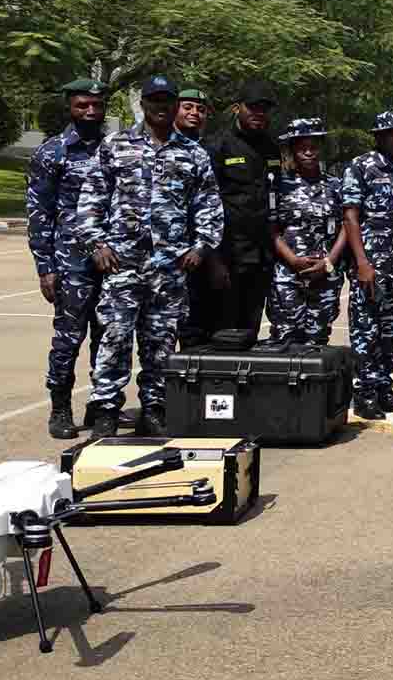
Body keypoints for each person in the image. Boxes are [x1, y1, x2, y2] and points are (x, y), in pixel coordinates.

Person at [76, 75, 222, 437]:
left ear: (175, 105)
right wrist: (97, 244)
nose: (160, 107)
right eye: (153, 101)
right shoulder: (115, 145)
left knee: (160, 343)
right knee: (115, 337)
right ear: (143, 104)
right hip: (122, 264)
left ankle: (154, 407)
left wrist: (200, 245)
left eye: (166, 101)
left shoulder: (192, 153)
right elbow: (91, 198)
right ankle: (107, 408)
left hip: (170, 268)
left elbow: (208, 205)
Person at [25, 78, 110, 439]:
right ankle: (60, 407)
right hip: (70, 261)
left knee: (108, 336)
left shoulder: (116, 148)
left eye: (96, 105)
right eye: (82, 105)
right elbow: (39, 213)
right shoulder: (53, 152)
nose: (90, 111)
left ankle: (101, 403)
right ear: (70, 108)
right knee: (68, 337)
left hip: (112, 258)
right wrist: (45, 268)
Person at [184, 80, 278, 347]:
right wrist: (214, 261)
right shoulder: (217, 147)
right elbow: (204, 208)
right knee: (219, 335)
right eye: (252, 107)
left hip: (259, 260)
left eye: (264, 109)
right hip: (226, 260)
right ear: (237, 108)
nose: (258, 113)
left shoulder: (270, 148)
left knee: (249, 334)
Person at [342, 111, 393, 420]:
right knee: (366, 331)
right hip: (370, 265)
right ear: (380, 136)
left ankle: (384, 388)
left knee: (391, 330)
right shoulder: (361, 167)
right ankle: (364, 393)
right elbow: (350, 216)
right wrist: (361, 262)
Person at [267, 117, 344, 347]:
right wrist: (293, 260)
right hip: (288, 274)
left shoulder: (335, 186)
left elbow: (346, 228)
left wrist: (329, 262)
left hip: (326, 273)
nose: (308, 153)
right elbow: (271, 230)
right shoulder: (278, 184)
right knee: (285, 339)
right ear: (292, 150)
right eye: (302, 148)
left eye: (313, 147)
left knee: (318, 341)